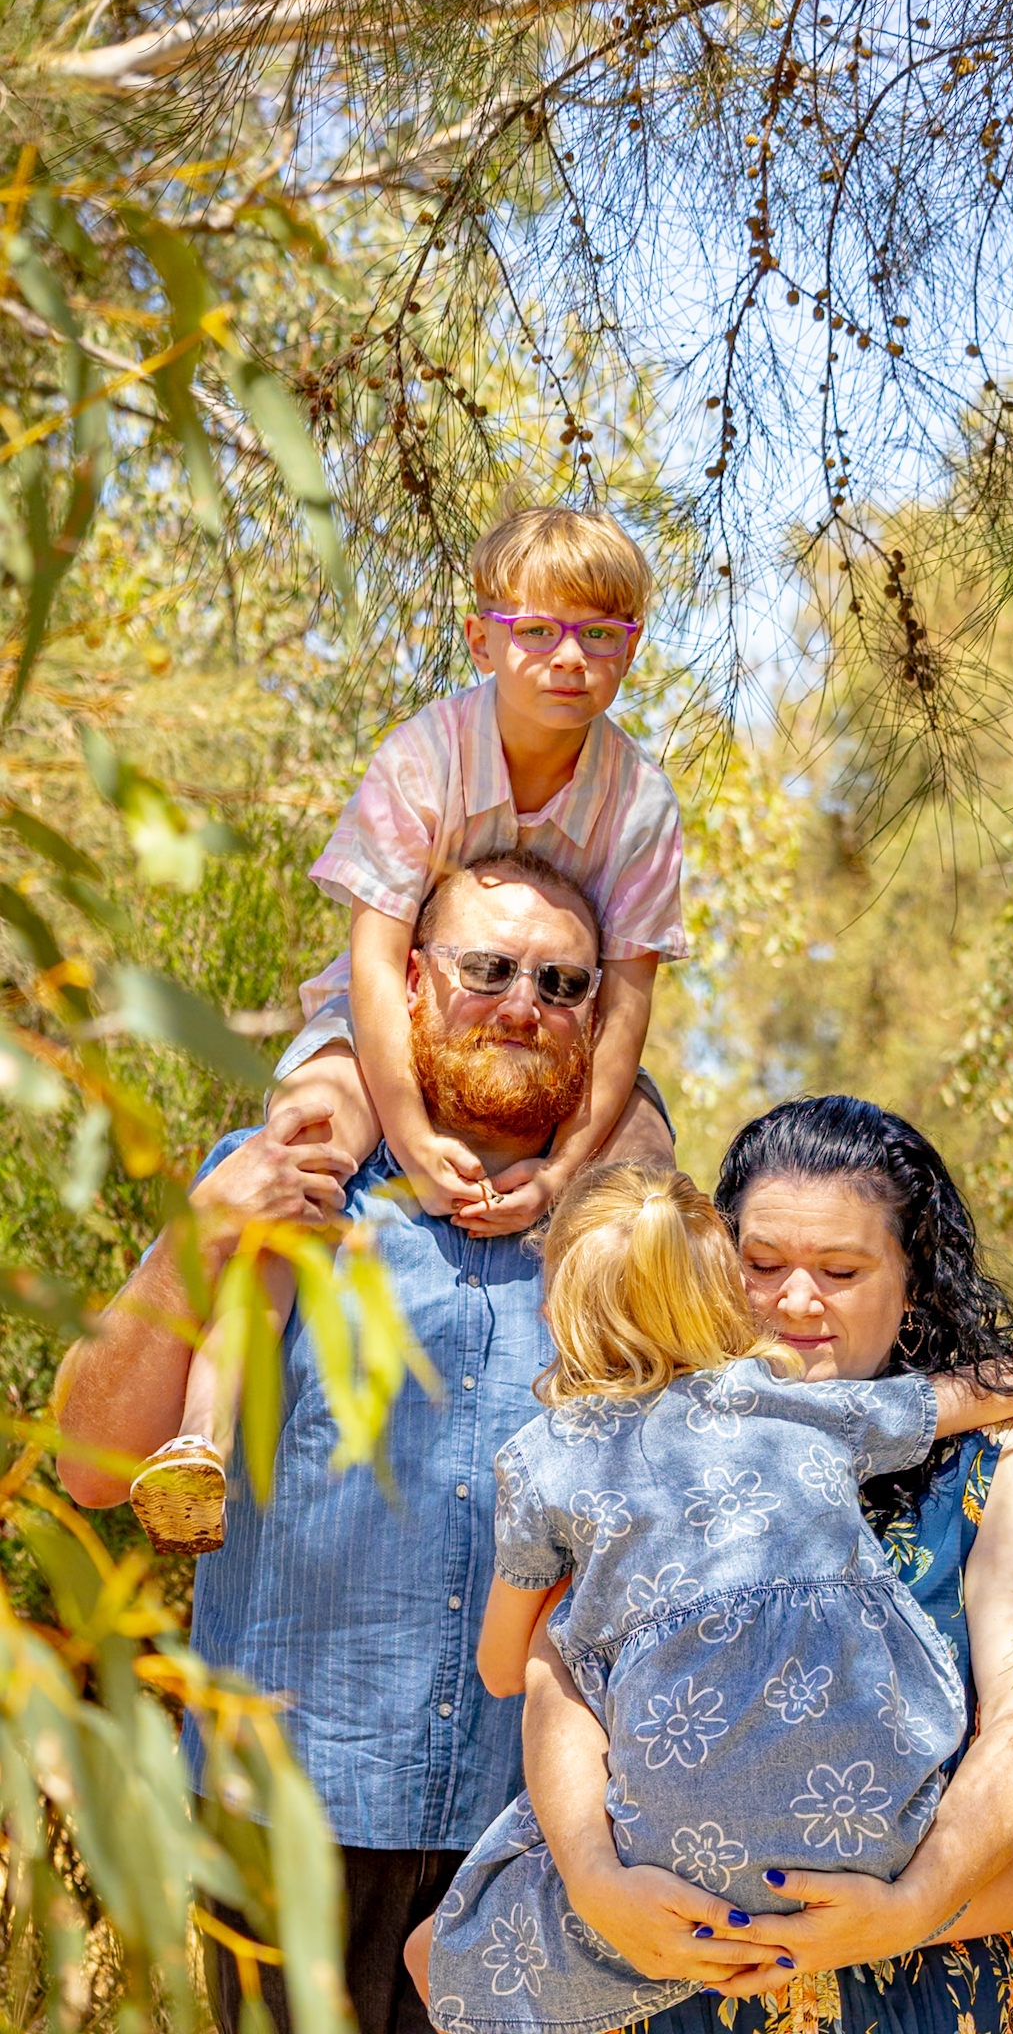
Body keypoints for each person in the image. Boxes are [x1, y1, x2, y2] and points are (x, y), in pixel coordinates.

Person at [56, 853, 673, 2034]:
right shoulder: (287, 1182)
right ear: (408, 980)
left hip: (544, 1828)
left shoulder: (634, 1234)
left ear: (602, 1010)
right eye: (485, 968)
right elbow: (88, 1462)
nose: (521, 1003)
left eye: (561, 979)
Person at [417, 1100, 1013, 2034]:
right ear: (709, 1271)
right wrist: (596, 1884)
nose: (797, 1302)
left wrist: (909, 1909)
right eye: (761, 1267)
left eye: (841, 1271)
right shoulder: (639, 1466)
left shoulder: (1002, 1468)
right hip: (664, 1964)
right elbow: (556, 1674)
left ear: (913, 1286)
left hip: (906, 1977)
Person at [129, 506, 684, 1556]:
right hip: (389, 1013)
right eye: (537, 630)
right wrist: (405, 1129)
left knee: (648, 1185)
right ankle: (201, 1431)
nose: (568, 657)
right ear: (483, 640)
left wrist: (571, 1161)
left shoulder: (639, 801)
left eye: (599, 635)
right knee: (297, 1151)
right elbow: (380, 962)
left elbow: (629, 1000)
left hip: (555, 1024)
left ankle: (629, 1448)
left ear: (631, 650)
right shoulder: (428, 755)